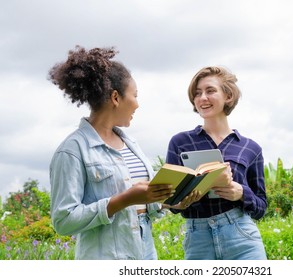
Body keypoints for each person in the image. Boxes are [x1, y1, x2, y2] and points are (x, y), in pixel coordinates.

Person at [48, 46, 174, 260]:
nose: (138, 104)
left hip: (146, 251)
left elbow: (146, 203)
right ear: (116, 97)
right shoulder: (72, 151)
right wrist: (123, 200)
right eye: (135, 95)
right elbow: (63, 221)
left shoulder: (131, 144)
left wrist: (175, 198)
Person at [165, 66, 268, 260]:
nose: (202, 98)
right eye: (197, 94)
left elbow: (261, 206)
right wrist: (181, 201)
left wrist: (241, 193)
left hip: (242, 237)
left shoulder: (250, 148)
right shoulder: (180, 142)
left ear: (228, 96)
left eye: (210, 91)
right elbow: (170, 201)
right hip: (198, 239)